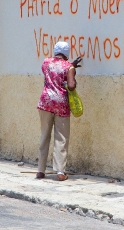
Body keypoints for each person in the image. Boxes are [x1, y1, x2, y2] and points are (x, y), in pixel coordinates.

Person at [36, 41, 81, 181]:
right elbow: (72, 86)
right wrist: (72, 71)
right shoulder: (69, 67)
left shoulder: (46, 62)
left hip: (45, 102)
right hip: (61, 104)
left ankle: (40, 171)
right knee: (61, 138)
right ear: (67, 53)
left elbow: (53, 71)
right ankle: (60, 172)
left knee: (44, 136)